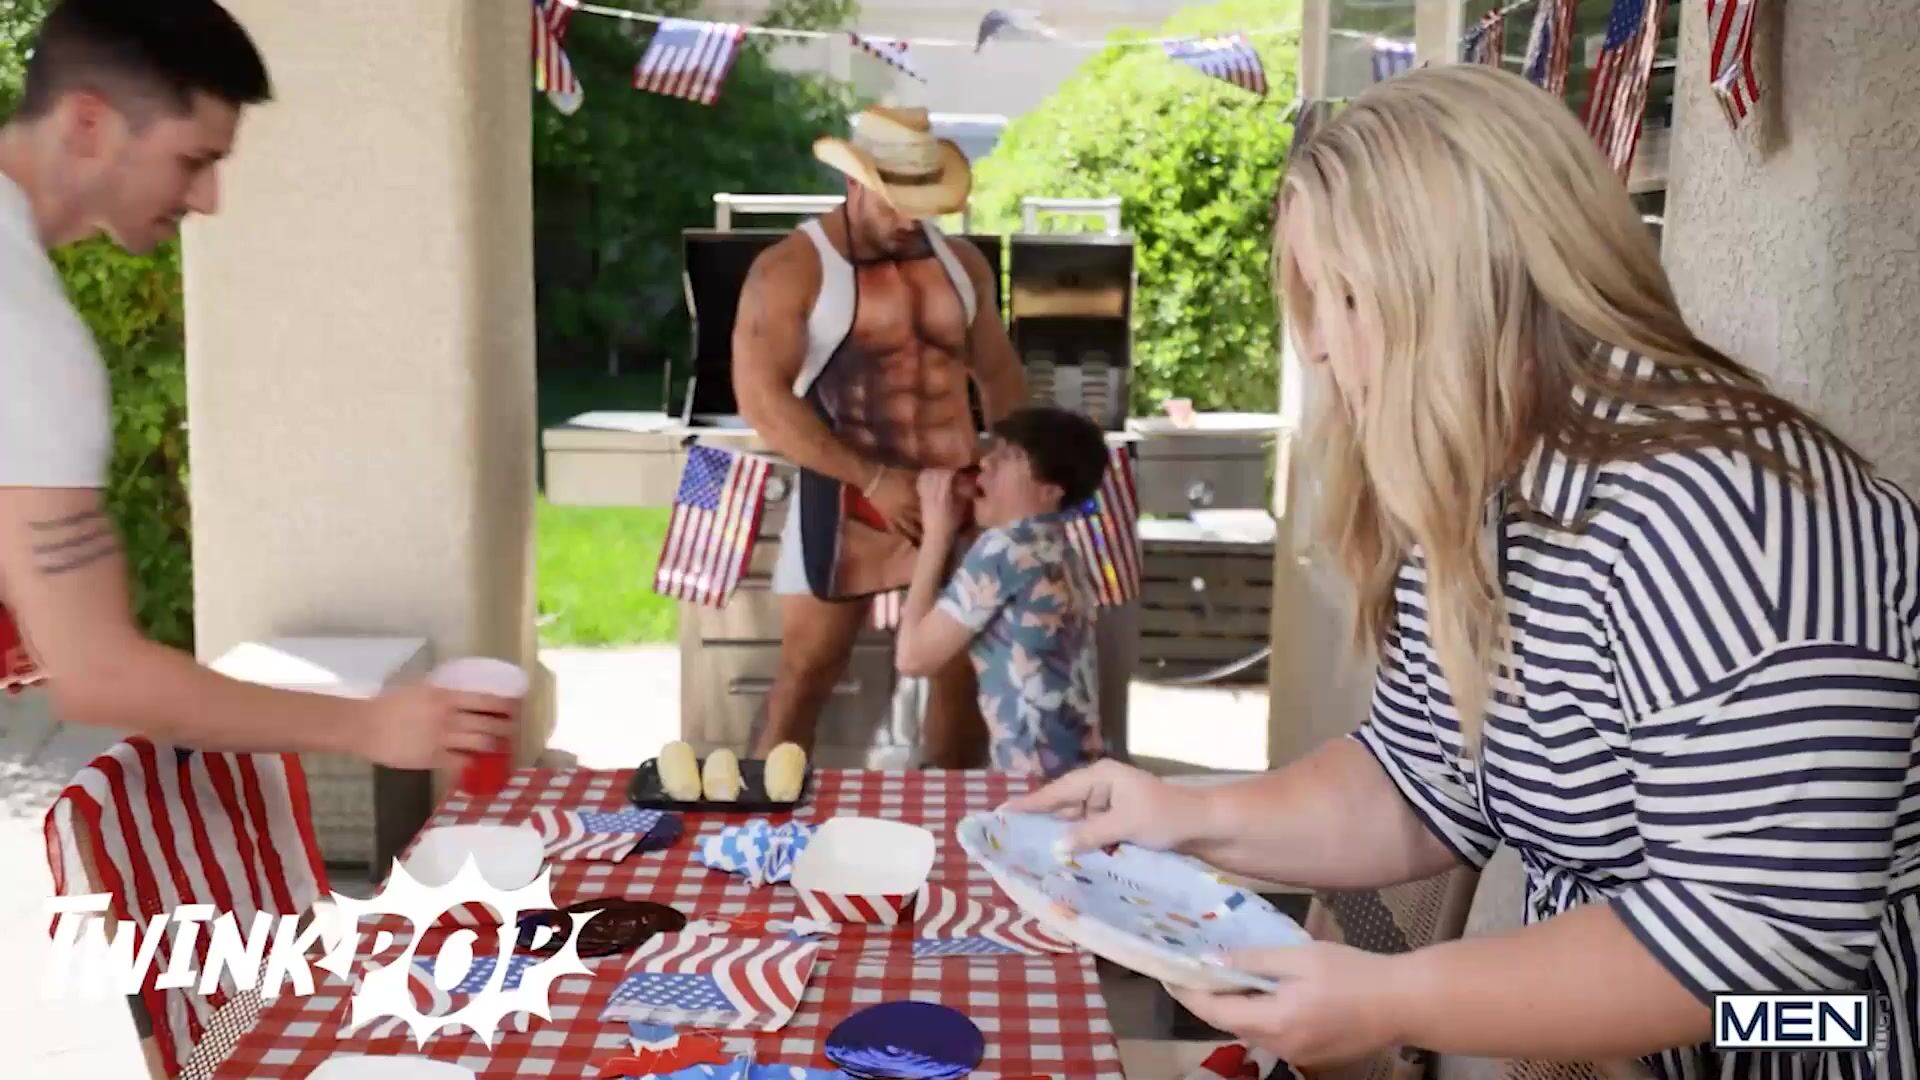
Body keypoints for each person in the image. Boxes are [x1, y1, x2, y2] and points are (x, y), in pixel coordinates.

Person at [1011, 64, 1920, 1078]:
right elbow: (1420, 782)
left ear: (1455, 290)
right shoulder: (1493, 488)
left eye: (1343, 296)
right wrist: (1186, 816)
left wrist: (1391, 1002)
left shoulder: (1731, 514)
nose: (1318, 348)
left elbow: (1760, 956)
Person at [0, 0, 517, 769]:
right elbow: (99, 673)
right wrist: (369, 728)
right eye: (193, 160)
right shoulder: (25, 331)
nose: (208, 200)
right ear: (87, 123)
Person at [734, 105, 1027, 767]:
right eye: (897, 202)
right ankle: (756, 815)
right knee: (807, 672)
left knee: (961, 675)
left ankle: (951, 821)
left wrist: (1013, 472)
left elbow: (1000, 374)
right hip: (849, 500)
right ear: (856, 183)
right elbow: (761, 400)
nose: (910, 220)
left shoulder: (962, 264)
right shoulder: (792, 268)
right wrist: (872, 478)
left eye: (923, 204)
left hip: (953, 496)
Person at [894, 405, 1106, 778]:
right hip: (1075, 773)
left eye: (1010, 457)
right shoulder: (1060, 548)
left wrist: (936, 534)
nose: (986, 463)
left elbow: (913, 658)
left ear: (1049, 490)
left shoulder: (1006, 548)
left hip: (1031, 782)